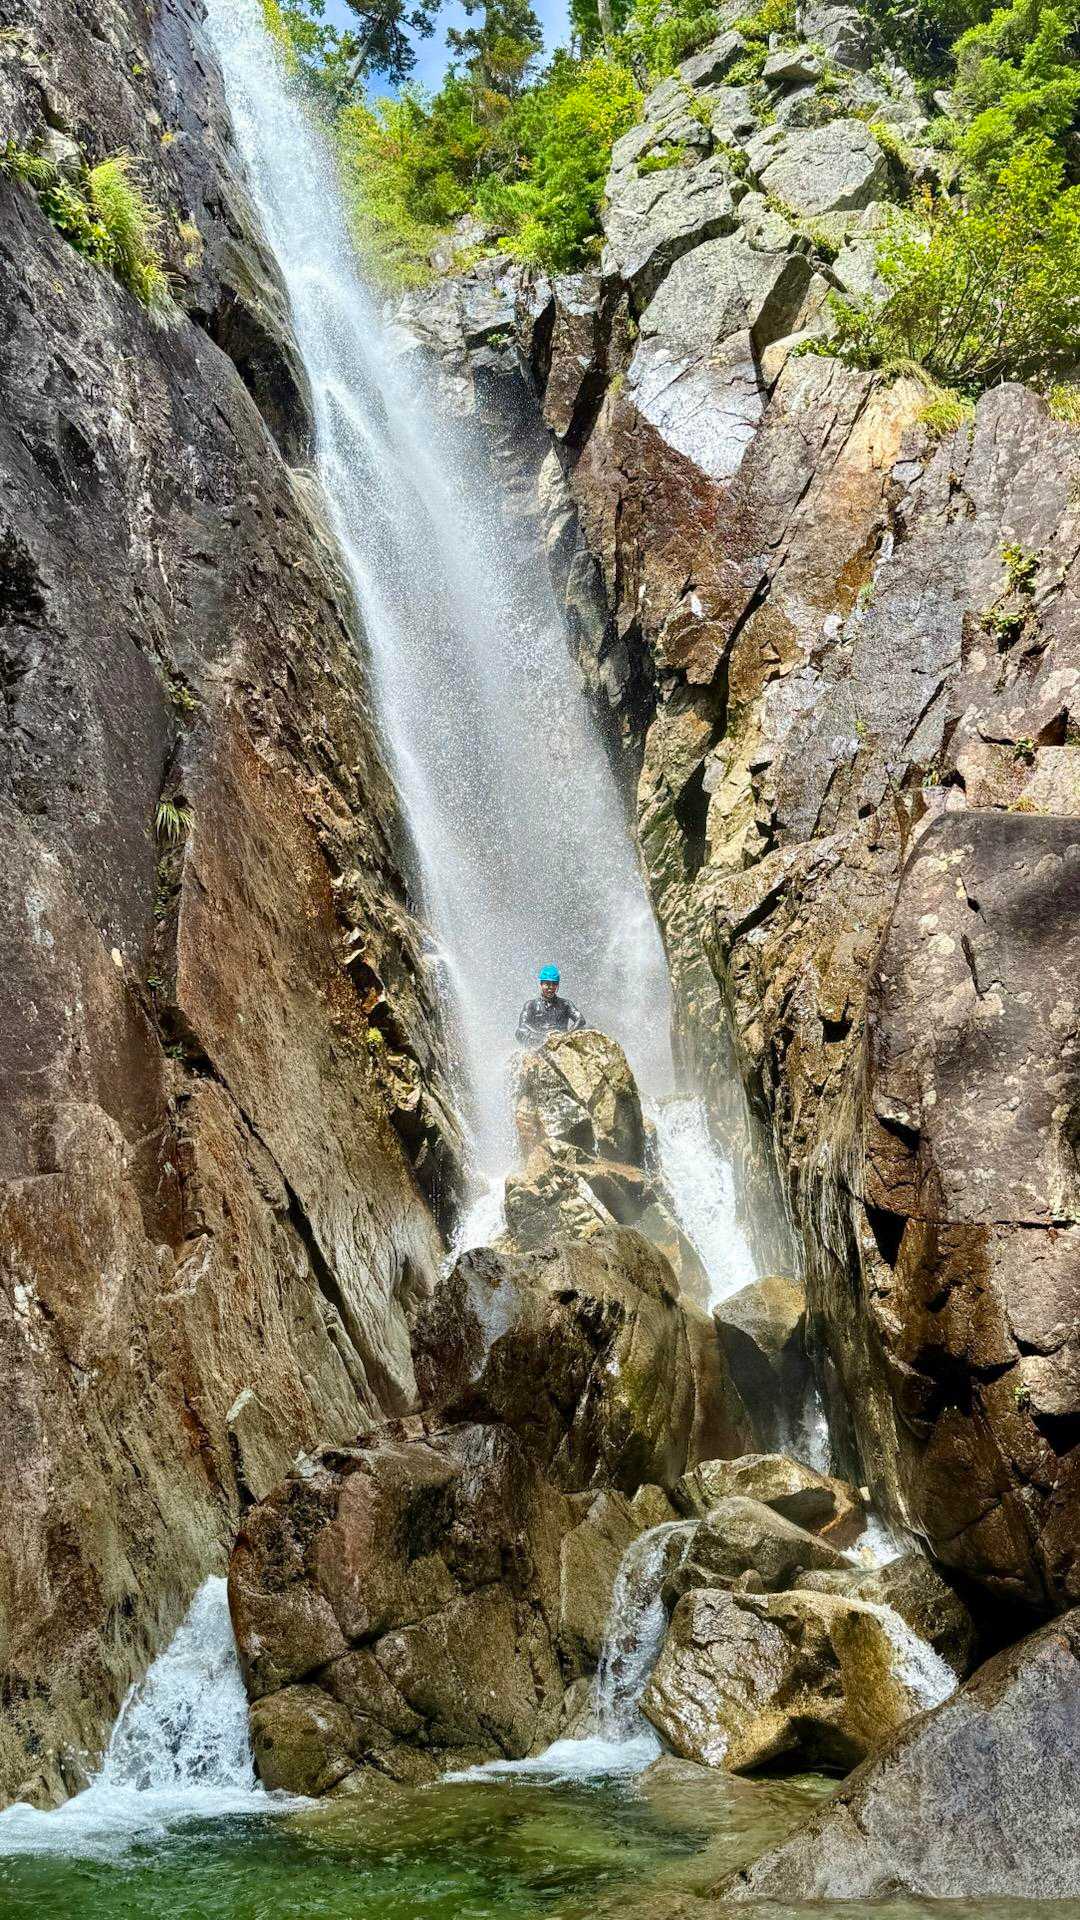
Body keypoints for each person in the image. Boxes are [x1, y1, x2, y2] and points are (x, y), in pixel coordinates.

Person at [516, 965, 586, 1047]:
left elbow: (580, 1020)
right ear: (541, 984)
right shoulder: (531, 1005)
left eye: (554, 984)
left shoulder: (566, 1004)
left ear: (557, 985)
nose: (551, 988)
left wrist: (566, 1035)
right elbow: (522, 1027)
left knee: (587, 1027)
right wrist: (542, 1038)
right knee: (519, 1032)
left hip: (561, 1042)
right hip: (539, 1043)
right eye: (547, 984)